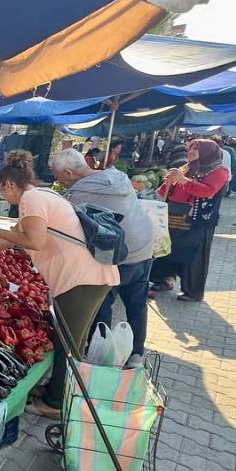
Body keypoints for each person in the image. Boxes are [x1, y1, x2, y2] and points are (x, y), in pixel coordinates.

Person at [0, 151, 119, 419]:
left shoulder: (31, 199)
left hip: (82, 279)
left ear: (9, 185)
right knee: (69, 337)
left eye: (2, 190)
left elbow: (35, 241)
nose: (4, 196)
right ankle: (57, 391)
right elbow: (17, 238)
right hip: (87, 276)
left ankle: (57, 404)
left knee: (69, 342)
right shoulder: (42, 195)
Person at [51, 149, 155, 368]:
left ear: (69, 172)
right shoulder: (116, 177)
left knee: (101, 302)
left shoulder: (79, 194)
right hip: (146, 248)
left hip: (120, 255)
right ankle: (136, 354)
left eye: (58, 176)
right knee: (137, 303)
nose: (58, 181)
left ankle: (101, 356)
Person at [150, 139, 230, 302]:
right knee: (168, 248)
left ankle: (193, 291)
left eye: (196, 149)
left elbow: (207, 192)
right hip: (174, 214)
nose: (191, 151)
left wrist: (183, 180)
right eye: (191, 148)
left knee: (194, 256)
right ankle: (165, 280)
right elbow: (165, 189)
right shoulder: (186, 167)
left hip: (197, 220)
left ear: (207, 152)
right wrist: (170, 180)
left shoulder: (219, 171)